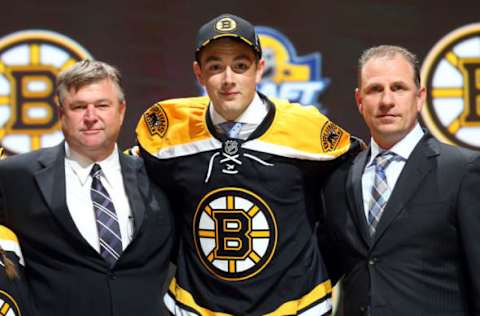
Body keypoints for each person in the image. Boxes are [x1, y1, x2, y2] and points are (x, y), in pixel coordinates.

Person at [135, 13, 355, 315]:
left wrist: (319, 268)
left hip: (297, 307)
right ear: (198, 74)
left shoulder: (306, 131)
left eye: (240, 66)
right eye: (215, 67)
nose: (228, 79)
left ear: (259, 69)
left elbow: (354, 197)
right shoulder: (169, 131)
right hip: (196, 308)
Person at [0, 60, 174, 316]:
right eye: (79, 107)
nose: (91, 117)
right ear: (61, 114)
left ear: (122, 110)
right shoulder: (16, 176)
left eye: (102, 105)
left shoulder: (159, 175)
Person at [320, 45, 480, 315]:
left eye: (398, 88)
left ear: (419, 97)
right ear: (359, 101)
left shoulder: (462, 171)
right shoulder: (339, 178)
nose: (386, 101)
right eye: (375, 90)